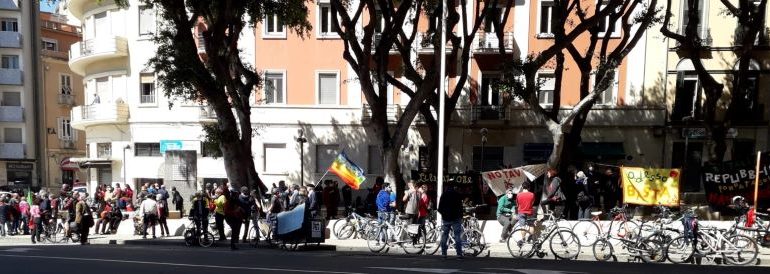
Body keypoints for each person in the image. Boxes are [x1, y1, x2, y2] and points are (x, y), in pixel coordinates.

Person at [438, 184, 464, 259]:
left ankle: (444, 253)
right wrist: (460, 216)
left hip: (446, 218)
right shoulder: (457, 195)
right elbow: (460, 207)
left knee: (444, 235)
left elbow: (439, 208)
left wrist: (444, 214)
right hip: (456, 218)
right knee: (457, 235)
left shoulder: (444, 195)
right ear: (453, 187)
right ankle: (459, 253)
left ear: (446, 188)